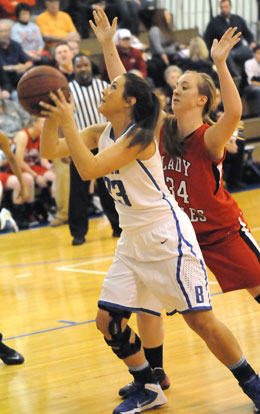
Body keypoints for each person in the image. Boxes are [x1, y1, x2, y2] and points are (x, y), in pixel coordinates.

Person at [39, 9, 260, 413]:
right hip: (144, 235)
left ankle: (250, 383)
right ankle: (152, 380)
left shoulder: (188, 137)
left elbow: (230, 114)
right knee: (133, 313)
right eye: (176, 84)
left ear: (201, 98)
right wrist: (105, 49)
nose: (176, 89)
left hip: (202, 232)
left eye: (186, 85)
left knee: (205, 318)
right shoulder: (158, 127)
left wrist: (219, 63)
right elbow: (125, 95)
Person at [68, 52, 121, 245]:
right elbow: (61, 120)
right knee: (78, 191)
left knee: (109, 187)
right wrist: (64, 146)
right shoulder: (68, 89)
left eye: (85, 65)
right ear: (73, 69)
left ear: (91, 66)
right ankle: (78, 232)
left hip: (104, 142)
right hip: (80, 144)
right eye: (79, 66)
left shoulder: (103, 86)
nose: (83, 68)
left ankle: (117, 227)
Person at [12, 116, 56, 223]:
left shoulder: (41, 136)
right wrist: (36, 176)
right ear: (34, 124)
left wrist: (50, 167)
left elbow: (43, 160)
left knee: (54, 176)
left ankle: (55, 206)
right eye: (42, 122)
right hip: (15, 167)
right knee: (30, 179)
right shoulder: (23, 135)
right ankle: (30, 211)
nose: (45, 125)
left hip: (31, 166)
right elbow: (19, 161)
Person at [204, 0, 255, 78]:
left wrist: (251, 42)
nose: (224, 9)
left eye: (226, 7)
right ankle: (237, 77)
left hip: (239, 48)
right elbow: (207, 39)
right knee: (227, 55)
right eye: (222, 7)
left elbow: (247, 33)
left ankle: (252, 75)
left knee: (252, 51)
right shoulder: (214, 22)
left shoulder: (238, 19)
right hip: (225, 50)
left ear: (230, 7)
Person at [0, 19, 33, 98]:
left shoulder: (15, 44)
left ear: (9, 32)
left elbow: (28, 60)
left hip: (18, 74)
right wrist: (14, 67)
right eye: (1, 31)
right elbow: (1, 68)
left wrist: (24, 66)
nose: (4, 34)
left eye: (6, 31)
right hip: (4, 77)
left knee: (33, 71)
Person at [147, 8, 178, 86]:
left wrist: (179, 47)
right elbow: (157, 46)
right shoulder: (155, 30)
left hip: (171, 55)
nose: (169, 16)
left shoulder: (166, 29)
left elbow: (172, 42)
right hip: (160, 57)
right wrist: (163, 55)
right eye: (166, 15)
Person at [240, 44, 260, 117]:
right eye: (258, 53)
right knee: (258, 90)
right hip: (247, 88)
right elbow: (251, 82)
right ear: (254, 54)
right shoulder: (249, 63)